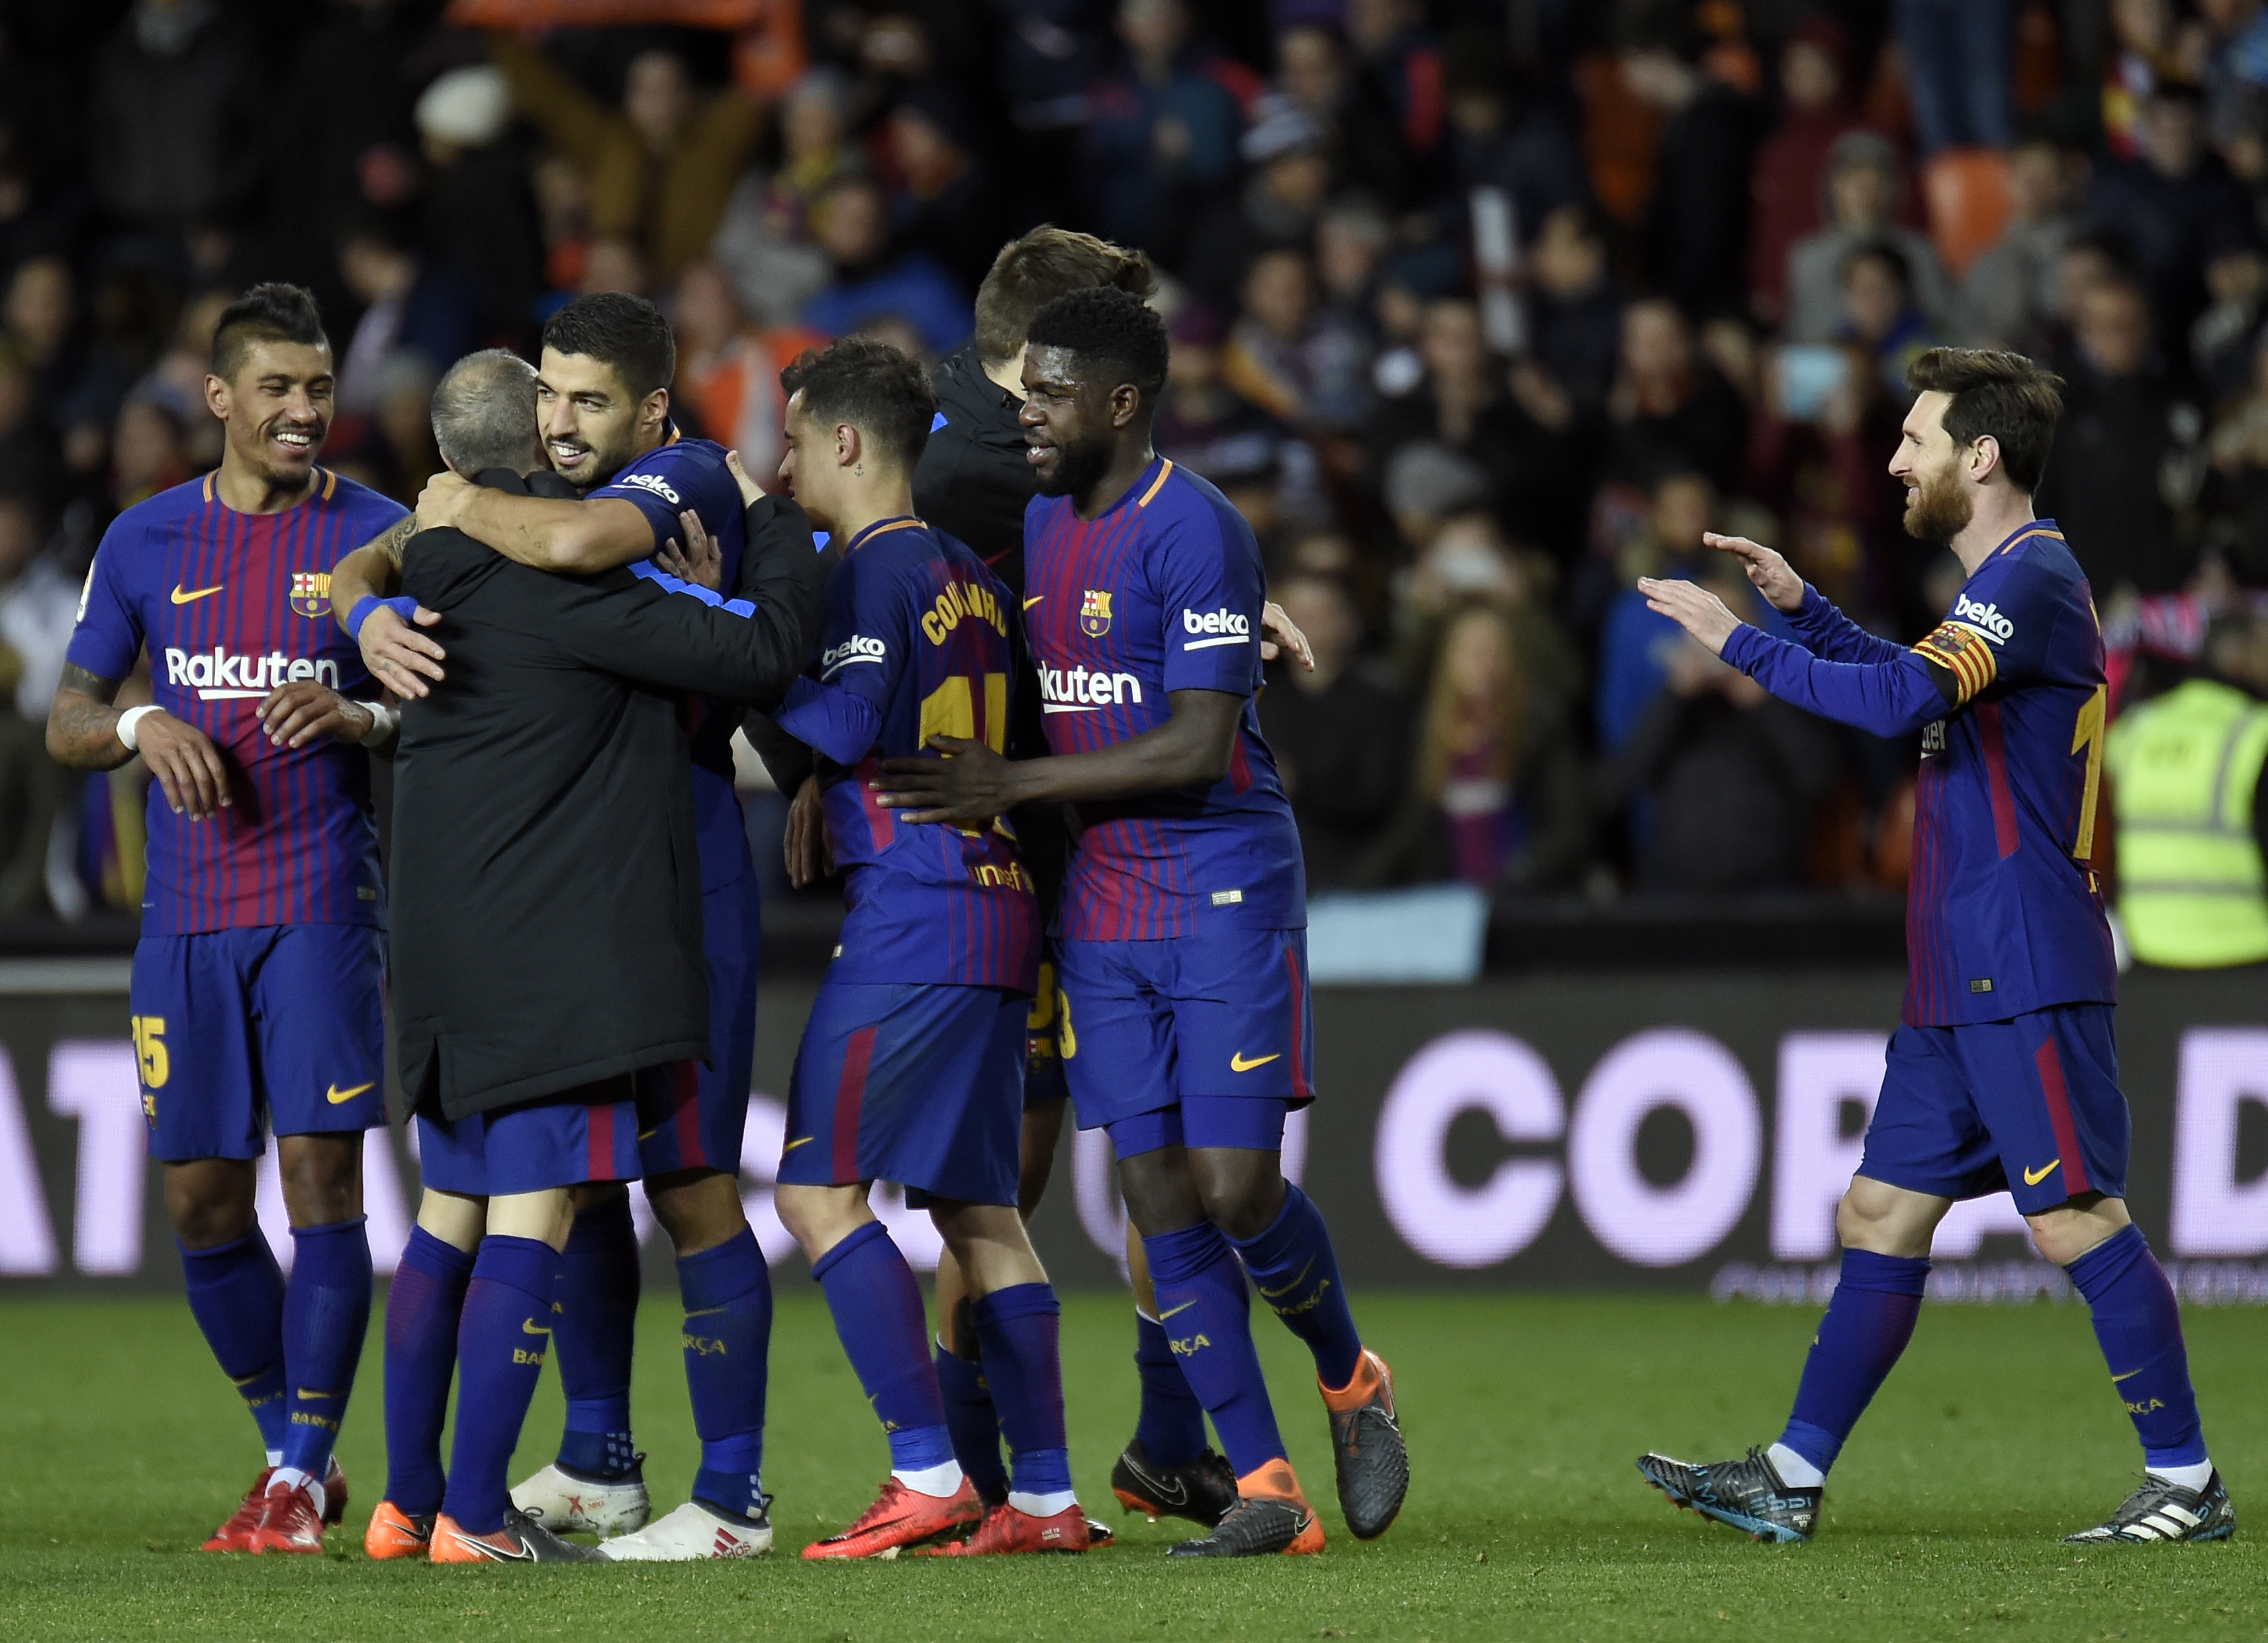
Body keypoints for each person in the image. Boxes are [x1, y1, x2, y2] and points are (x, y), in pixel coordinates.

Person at [1634, 347, 2233, 1546]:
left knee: (2072, 1218)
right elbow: (1917, 680)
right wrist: (1806, 612)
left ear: (1982, 455)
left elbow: (1904, 704)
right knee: (1878, 1213)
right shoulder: (1995, 592)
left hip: (2022, 955)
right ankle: (1793, 1475)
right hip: (1956, 971)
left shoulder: (2034, 576)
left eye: (1914, 439)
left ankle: (2186, 1480)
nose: (1893, 459)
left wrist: (1737, 642)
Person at [872, 286, 1409, 1558]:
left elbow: (1198, 736)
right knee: (1157, 1197)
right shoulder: (1046, 518)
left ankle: (1350, 1376)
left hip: (1220, 875)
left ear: (1120, 402)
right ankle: (1270, 1486)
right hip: (1102, 896)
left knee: (1232, 1187)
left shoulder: (1200, 531)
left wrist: (1016, 784)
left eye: (1047, 394)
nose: (1024, 415)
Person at [361, 347, 831, 1564]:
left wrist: (375, 579)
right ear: (529, 424)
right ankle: (555, 1482)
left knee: (550, 1198)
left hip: (548, 925)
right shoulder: (564, 565)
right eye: (554, 401)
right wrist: (770, 517)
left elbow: (388, 562)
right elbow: (755, 647)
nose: (570, 421)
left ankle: (685, 1490)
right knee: (563, 1197)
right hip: (573, 928)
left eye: (589, 399)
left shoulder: (465, 553)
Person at [45, 284, 407, 1554]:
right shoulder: (144, 541)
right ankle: (284, 1447)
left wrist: (363, 717)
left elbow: (449, 712)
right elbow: (69, 716)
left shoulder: (381, 532)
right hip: (185, 918)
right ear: (220, 400)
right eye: (278, 389)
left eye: (318, 387)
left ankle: (302, 1480)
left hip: (319, 898)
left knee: (318, 1180)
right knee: (203, 1201)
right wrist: (144, 723)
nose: (306, 409)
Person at [752, 337, 1087, 1558]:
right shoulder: (969, 573)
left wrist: (725, 648)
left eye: (793, 442)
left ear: (846, 442)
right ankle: (1045, 1499)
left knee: (815, 1191)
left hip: (916, 909)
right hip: (1002, 901)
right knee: (978, 1206)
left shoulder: (869, 571)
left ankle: (926, 1469)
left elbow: (840, 721)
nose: (783, 468)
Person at [2105, 609, 2268, 968]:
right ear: (2237, 657)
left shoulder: (2132, 731)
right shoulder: (2257, 734)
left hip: (2149, 953)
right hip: (2248, 953)